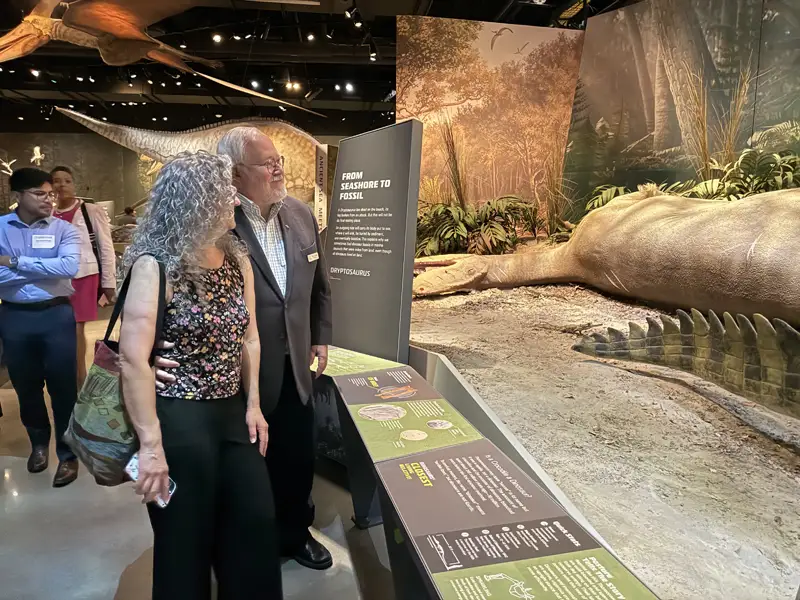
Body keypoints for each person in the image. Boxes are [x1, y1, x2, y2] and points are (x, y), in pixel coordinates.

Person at [155, 127, 333, 570]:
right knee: (246, 466)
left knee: (295, 454)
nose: (278, 169)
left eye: (279, 161)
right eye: (266, 162)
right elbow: (170, 293)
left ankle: (294, 533)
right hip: (231, 374)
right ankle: (245, 542)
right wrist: (151, 348)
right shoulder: (215, 224)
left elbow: (319, 285)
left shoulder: (300, 214)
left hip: (296, 361)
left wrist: (320, 334)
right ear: (235, 174)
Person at [118, 151, 282, 600]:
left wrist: (254, 405)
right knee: (182, 543)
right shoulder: (156, 265)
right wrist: (150, 445)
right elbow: (133, 360)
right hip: (177, 419)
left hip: (232, 415)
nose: (234, 197)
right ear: (197, 200)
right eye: (223, 190)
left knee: (253, 526)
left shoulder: (236, 259)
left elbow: (250, 338)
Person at [0, 168, 81, 487]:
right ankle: (38, 445)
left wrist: (16, 262)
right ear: (17, 197)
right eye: (41, 194)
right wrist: (44, 271)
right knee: (25, 385)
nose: (51, 198)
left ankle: (68, 454)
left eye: (52, 193)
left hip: (56, 316)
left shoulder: (64, 229)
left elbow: (69, 267)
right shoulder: (1, 228)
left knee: (64, 388)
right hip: (15, 316)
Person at [50, 166, 116, 387]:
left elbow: (105, 247)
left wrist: (109, 283)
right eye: (57, 181)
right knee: (61, 327)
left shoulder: (90, 210)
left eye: (67, 181)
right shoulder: (47, 214)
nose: (62, 185)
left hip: (84, 276)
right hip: (56, 277)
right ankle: (71, 375)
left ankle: (79, 377)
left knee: (76, 327)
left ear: (74, 184)